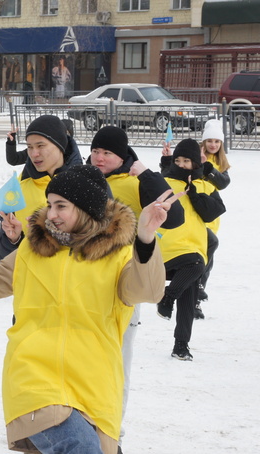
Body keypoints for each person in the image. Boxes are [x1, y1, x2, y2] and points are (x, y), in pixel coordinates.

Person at [0, 165, 174, 454]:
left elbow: (150, 291)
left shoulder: (118, 256)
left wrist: (145, 239)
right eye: (50, 204)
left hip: (95, 387)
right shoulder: (32, 251)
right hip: (35, 381)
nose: (51, 213)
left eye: (61, 206)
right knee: (79, 446)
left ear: (86, 208)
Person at [87, 126, 183, 452]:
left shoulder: (134, 183)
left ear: (123, 156)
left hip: (124, 286)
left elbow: (176, 216)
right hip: (85, 284)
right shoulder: (87, 178)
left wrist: (147, 172)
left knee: (118, 364)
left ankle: (113, 431)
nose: (100, 158)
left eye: (108, 153)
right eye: (96, 151)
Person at [156, 139, 226, 361]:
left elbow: (213, 212)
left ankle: (181, 346)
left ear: (196, 162)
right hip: (168, 248)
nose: (182, 164)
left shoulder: (205, 185)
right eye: (178, 160)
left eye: (187, 160)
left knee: (190, 294)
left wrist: (193, 192)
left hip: (193, 248)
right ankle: (167, 298)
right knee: (197, 264)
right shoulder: (164, 183)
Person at [0, 115, 80, 265]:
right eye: (30, 147)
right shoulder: (19, 186)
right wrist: (14, 240)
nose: (34, 154)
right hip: (29, 278)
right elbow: (5, 249)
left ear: (60, 145)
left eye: (40, 146)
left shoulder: (85, 183)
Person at [196, 119, 231, 319]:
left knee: (208, 257)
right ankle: (194, 291)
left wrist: (208, 166)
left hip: (211, 216)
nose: (213, 145)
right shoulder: (195, 157)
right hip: (195, 213)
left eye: (217, 141)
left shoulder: (221, 164)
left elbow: (223, 182)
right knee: (200, 254)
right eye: (209, 140)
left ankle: (197, 298)